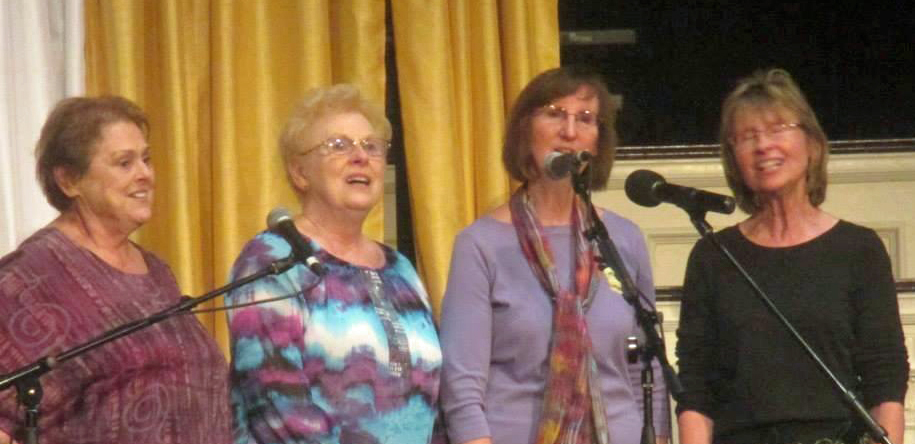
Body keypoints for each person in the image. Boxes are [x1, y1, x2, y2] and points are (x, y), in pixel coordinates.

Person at [675, 68, 909, 444]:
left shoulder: (859, 249)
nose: (763, 145)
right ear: (734, 159)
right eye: (747, 137)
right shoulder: (713, 256)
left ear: (812, 144)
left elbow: (885, 375)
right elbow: (696, 385)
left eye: (777, 128)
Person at [440, 66, 671, 444]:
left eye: (585, 119)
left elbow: (649, 373)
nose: (569, 131)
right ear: (525, 130)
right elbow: (461, 384)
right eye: (553, 113)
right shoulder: (479, 245)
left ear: (597, 142)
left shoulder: (623, 239)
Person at [0, 96, 231, 444]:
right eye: (124, 163)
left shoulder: (156, 271)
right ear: (69, 181)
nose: (145, 175)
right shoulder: (29, 277)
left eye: (146, 160)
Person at [225, 84, 442, 444]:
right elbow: (275, 407)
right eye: (338, 146)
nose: (361, 157)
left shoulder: (401, 268)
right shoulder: (272, 261)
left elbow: (432, 400)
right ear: (299, 172)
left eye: (371, 146)